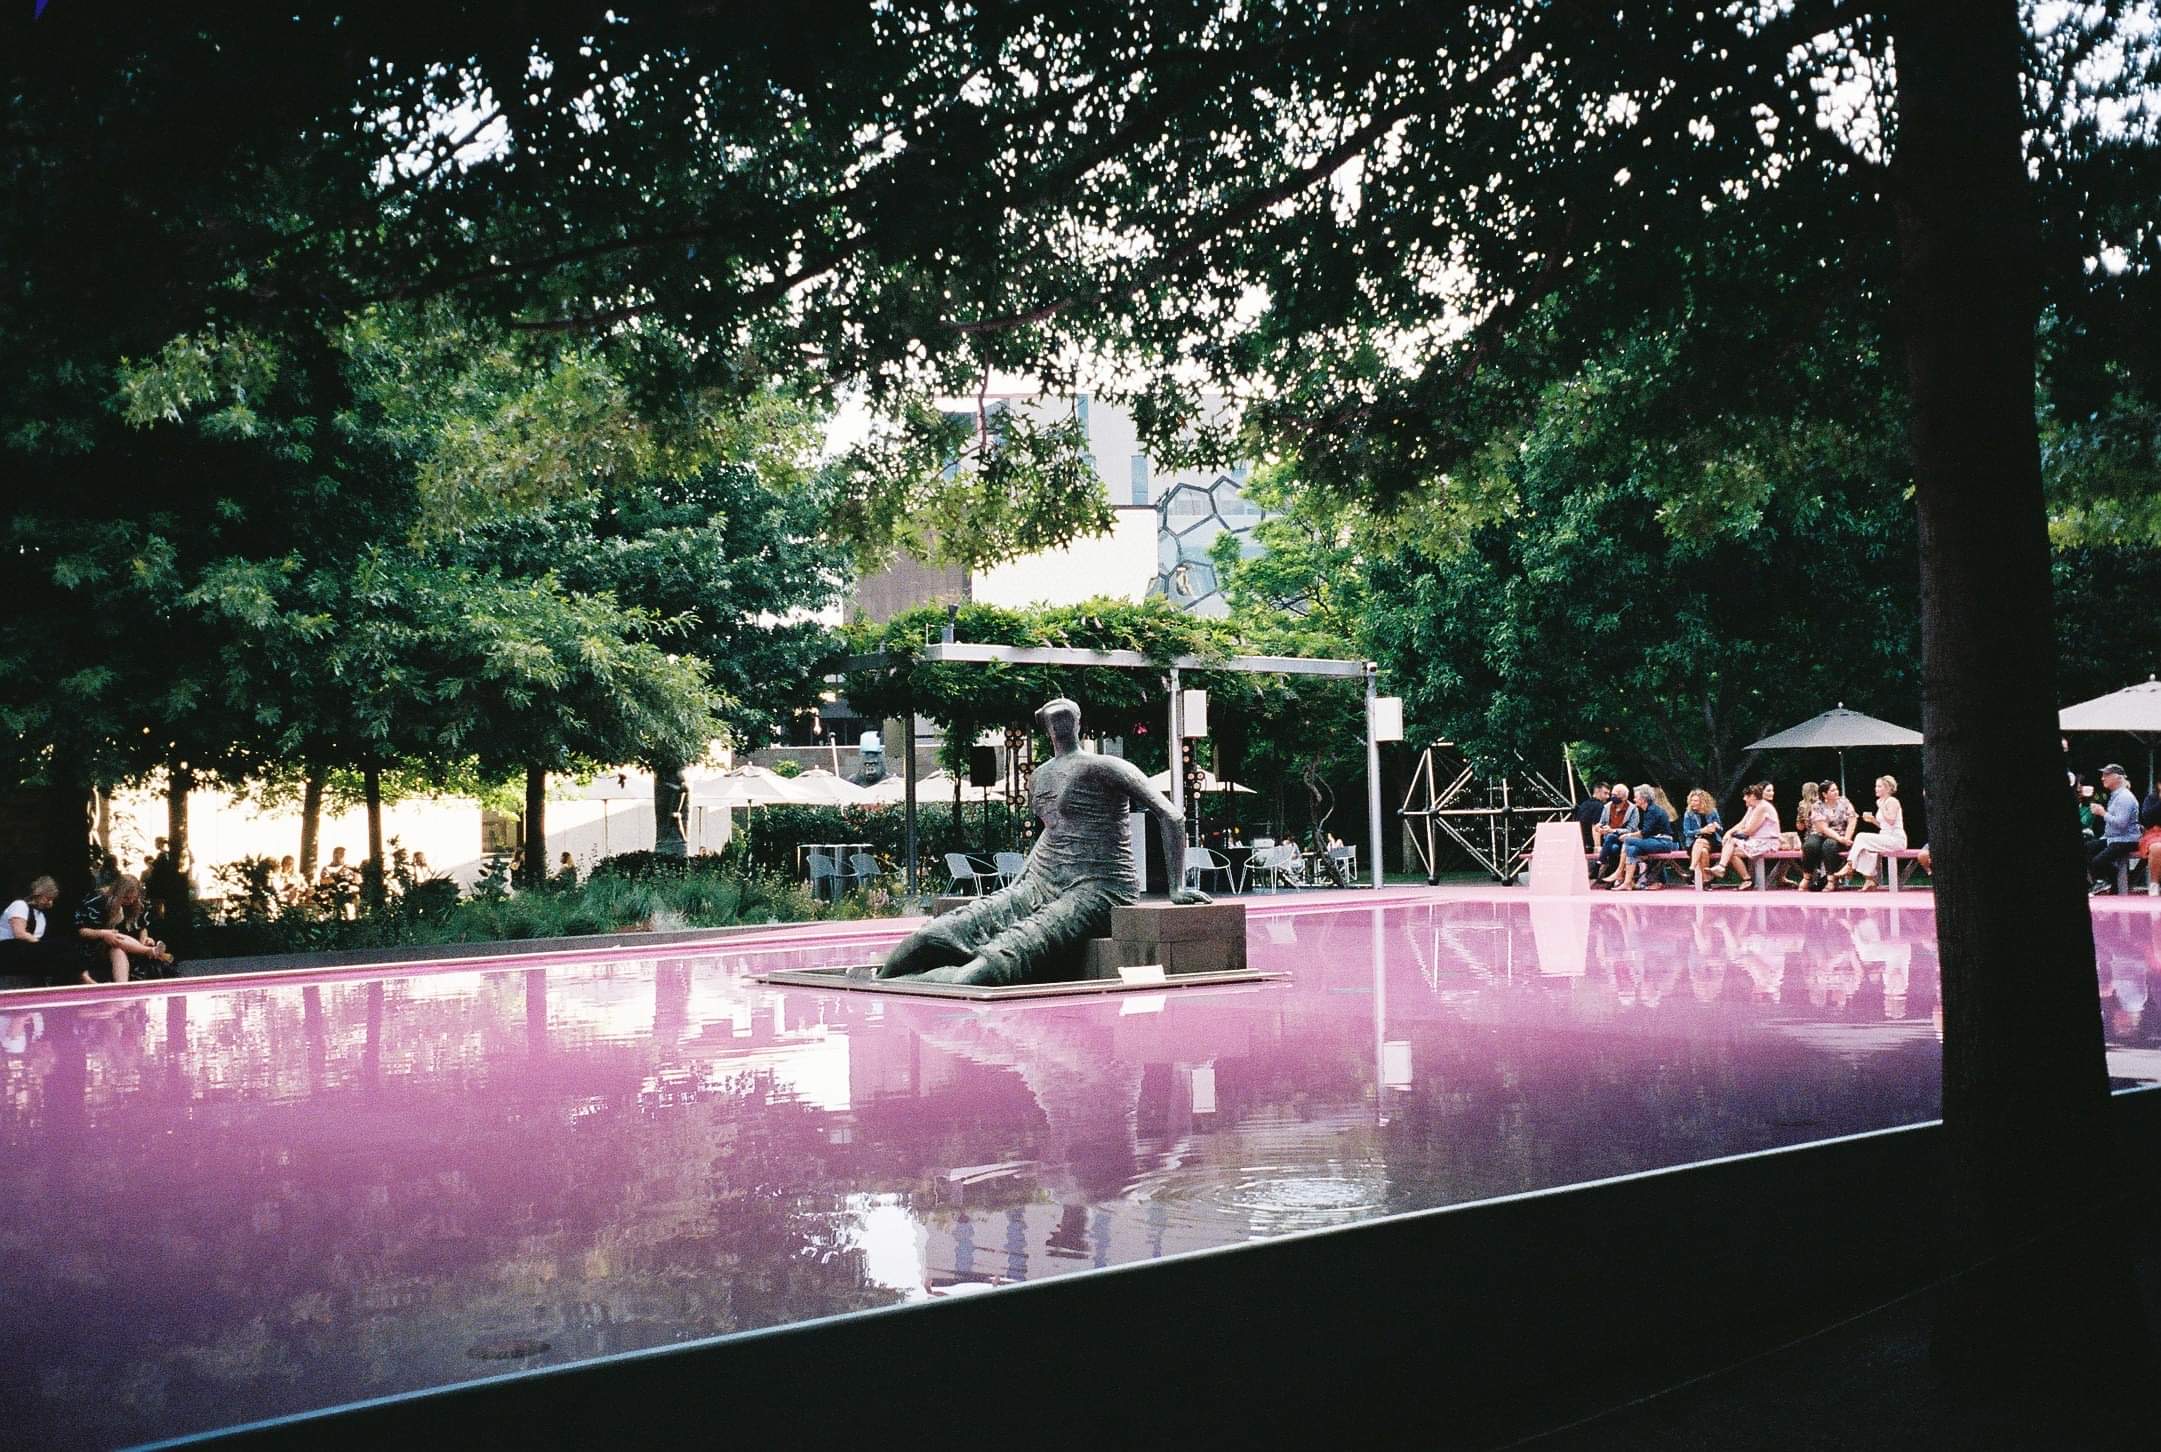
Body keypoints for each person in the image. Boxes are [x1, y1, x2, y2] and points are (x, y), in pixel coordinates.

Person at [881, 697, 1208, 985]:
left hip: (1098, 887)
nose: (1059, 721)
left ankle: (909, 985)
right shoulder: (1039, 776)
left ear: (1078, 723)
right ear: (1044, 727)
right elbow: (1050, 830)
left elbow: (1172, 816)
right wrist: (1021, 881)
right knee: (928, 937)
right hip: (1042, 880)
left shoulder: (1105, 766)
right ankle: (888, 983)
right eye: (1052, 717)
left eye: (1064, 715)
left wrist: (1176, 887)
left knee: (987, 968)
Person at [72, 874, 171, 984]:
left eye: (134, 898)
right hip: (96, 946)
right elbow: (81, 930)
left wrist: (145, 938)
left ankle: (122, 985)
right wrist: (102, 933)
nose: (131, 901)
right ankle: (148, 951)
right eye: (126, 898)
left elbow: (142, 927)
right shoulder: (97, 901)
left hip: (124, 948)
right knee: (116, 937)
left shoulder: (138, 905)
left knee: (117, 950)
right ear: (117, 893)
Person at [1835, 775, 1908, 891]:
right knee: (1863, 847)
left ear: (1888, 788)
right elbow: (1885, 825)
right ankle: (1869, 879)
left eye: (1879, 786)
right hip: (1885, 837)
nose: (1876, 789)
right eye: (1876, 786)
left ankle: (1849, 865)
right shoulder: (1882, 802)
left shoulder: (1892, 801)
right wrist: (1873, 820)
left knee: (1860, 837)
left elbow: (1892, 820)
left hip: (1896, 839)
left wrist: (1882, 806)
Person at [2085, 763, 2140, 894]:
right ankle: (2113, 878)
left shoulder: (2125, 797)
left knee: (2098, 861)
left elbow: (2121, 824)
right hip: (2114, 838)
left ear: (2118, 777)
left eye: (2106, 775)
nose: (2103, 778)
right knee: (2086, 848)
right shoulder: (2116, 795)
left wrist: (2103, 813)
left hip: (2126, 840)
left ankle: (2104, 881)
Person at [1714, 784, 1782, 886]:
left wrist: (1733, 834)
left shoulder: (1762, 807)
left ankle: (1722, 867)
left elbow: (1750, 831)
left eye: (1746, 796)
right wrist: (1728, 833)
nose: (1744, 798)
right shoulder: (1752, 807)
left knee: (1731, 844)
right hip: (1755, 841)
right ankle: (1745, 878)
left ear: (1753, 796)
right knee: (1730, 850)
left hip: (1767, 842)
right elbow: (1742, 823)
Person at [1615, 786, 1679, 891]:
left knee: (1627, 841)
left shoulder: (1652, 810)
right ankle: (1628, 882)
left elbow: (1645, 832)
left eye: (1636, 797)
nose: (1634, 799)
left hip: (1663, 842)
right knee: (1631, 849)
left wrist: (1629, 835)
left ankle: (1619, 872)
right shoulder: (1648, 810)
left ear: (1643, 799)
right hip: (1654, 841)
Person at [0, 876, 60, 981]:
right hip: (7, 948)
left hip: (26, 950)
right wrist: (41, 945)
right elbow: (19, 934)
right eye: (48, 898)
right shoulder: (20, 905)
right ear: (38, 894)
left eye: (52, 900)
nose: (50, 903)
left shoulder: (41, 917)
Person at [1801, 780, 1858, 891]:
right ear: (1824, 794)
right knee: (1810, 845)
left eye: (1836, 789)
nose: (1836, 792)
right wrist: (1840, 838)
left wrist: (1846, 838)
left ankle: (1831, 880)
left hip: (1841, 835)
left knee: (1829, 845)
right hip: (1821, 833)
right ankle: (1807, 877)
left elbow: (1852, 819)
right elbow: (1823, 828)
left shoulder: (1844, 802)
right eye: (1832, 790)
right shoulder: (1817, 805)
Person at [1594, 783, 1638, 885]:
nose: (1612, 797)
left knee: (1611, 837)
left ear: (1624, 797)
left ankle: (1600, 864)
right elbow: (1602, 822)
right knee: (1614, 848)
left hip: (1625, 839)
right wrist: (1599, 827)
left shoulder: (1633, 809)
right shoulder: (1607, 807)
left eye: (1616, 795)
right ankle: (1615, 878)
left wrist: (1613, 830)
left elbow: (1631, 829)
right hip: (1611, 840)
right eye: (1612, 794)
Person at [1682, 789, 1724, 883]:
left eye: (1696, 801)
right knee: (1703, 851)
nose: (1693, 803)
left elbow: (1721, 830)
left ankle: (1691, 869)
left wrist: (1715, 827)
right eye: (1691, 800)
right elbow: (1686, 832)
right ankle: (1706, 880)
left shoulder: (1712, 811)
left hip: (1712, 840)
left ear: (1703, 801)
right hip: (1694, 841)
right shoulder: (1688, 814)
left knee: (1700, 843)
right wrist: (1702, 831)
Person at [1570, 783, 1610, 850]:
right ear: (1597, 791)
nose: (1607, 796)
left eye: (1608, 794)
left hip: (1580, 844)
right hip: (1591, 845)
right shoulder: (1599, 806)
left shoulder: (1583, 805)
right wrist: (1597, 847)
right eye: (1605, 793)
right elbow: (1595, 827)